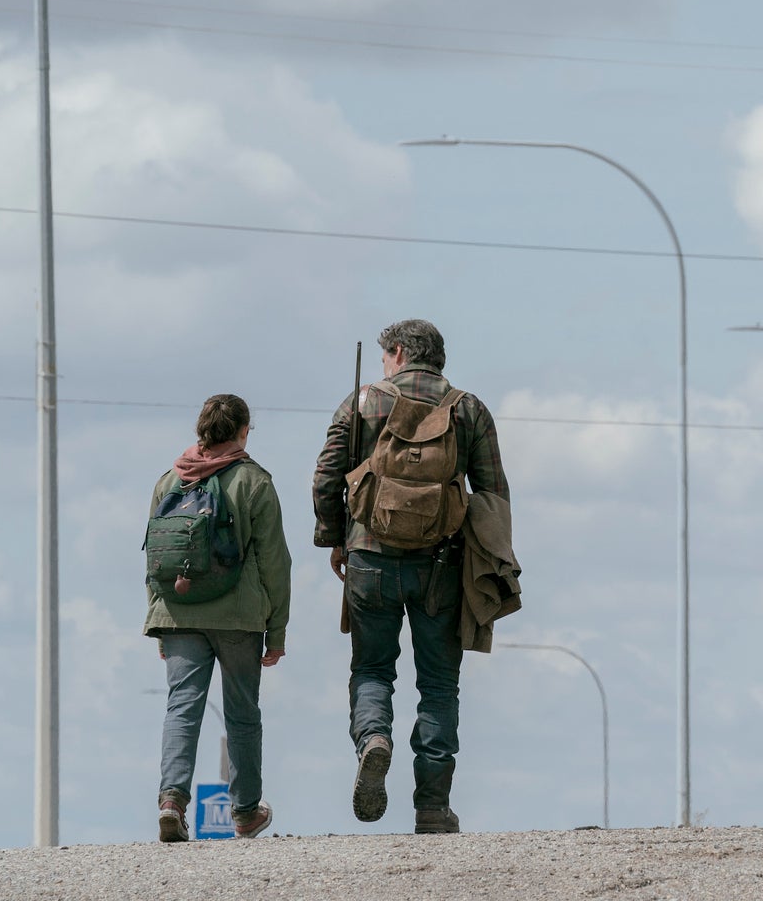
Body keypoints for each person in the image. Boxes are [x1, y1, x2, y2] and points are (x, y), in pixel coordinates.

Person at [313, 319, 516, 835]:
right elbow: (493, 493)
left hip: (369, 558)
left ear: (399, 353)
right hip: (441, 565)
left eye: (386, 356)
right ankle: (431, 806)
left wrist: (335, 536)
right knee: (440, 685)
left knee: (374, 670)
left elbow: (326, 474)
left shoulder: (361, 402)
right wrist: (491, 565)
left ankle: (374, 739)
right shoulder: (468, 409)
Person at [144, 393, 292, 843]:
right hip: (239, 616)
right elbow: (275, 562)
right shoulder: (254, 482)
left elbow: (155, 556)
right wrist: (277, 631)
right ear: (243, 430)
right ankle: (245, 812)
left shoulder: (170, 481)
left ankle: (172, 801)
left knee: (181, 708)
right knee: (242, 713)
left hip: (179, 612)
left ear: (201, 430)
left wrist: (159, 620)